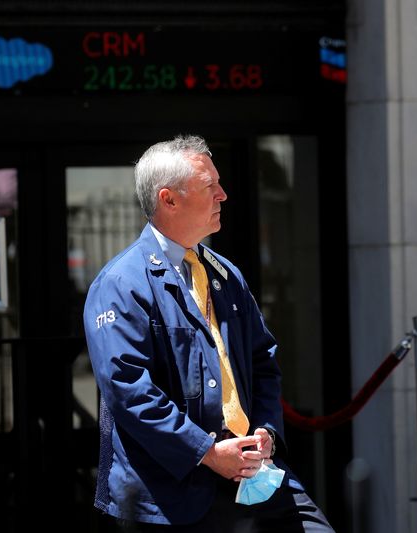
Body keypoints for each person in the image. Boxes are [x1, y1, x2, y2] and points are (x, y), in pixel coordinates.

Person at [83, 135, 334, 532]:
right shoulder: (121, 283)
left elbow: (262, 360)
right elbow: (127, 387)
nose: (223, 194)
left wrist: (266, 431)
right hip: (168, 494)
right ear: (169, 200)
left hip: (253, 475)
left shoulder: (223, 273)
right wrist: (206, 452)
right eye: (209, 186)